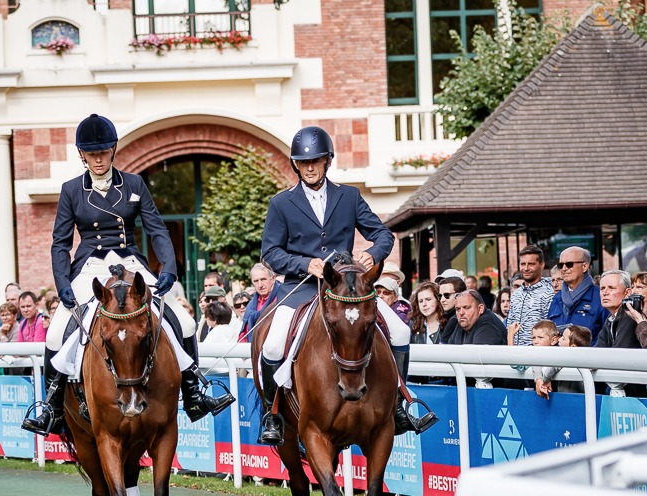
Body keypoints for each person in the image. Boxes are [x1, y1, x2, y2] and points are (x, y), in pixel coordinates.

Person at [25, 114, 233, 436]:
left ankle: (193, 394)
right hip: (91, 265)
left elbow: (157, 230)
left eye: (103, 152)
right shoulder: (71, 191)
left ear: (113, 150)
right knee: (54, 334)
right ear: (82, 154)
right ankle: (52, 407)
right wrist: (63, 283)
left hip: (131, 263)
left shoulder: (134, 184)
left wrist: (169, 269)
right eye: (91, 153)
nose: (98, 159)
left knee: (187, 321)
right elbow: (60, 243)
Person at [255, 125, 431, 444]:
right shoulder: (281, 203)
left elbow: (383, 235)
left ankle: (398, 407)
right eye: (303, 162)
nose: (309, 167)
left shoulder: (348, 196)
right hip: (304, 287)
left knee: (402, 331)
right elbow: (270, 252)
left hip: (347, 289)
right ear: (296, 164)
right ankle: (273, 415)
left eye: (316, 160)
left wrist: (371, 257)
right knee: (271, 345)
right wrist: (303, 263)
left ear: (327, 161)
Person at [546, 246, 608, 344]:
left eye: (569, 264)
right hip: (559, 357)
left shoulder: (601, 297)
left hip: (589, 357)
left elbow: (608, 337)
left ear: (585, 266)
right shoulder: (557, 299)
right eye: (560, 265)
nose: (564, 268)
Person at [505, 245, 555, 346]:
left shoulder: (550, 293)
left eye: (531, 264)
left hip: (538, 357)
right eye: (523, 264)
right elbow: (509, 328)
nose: (526, 268)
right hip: (515, 356)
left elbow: (552, 329)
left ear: (542, 265)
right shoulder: (516, 294)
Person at [535, 324, 591, 399]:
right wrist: (539, 379)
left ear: (573, 347)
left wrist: (545, 380)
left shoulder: (576, 359)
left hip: (574, 400)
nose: (559, 339)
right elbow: (537, 361)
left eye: (563, 338)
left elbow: (557, 364)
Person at [596, 270, 640, 349]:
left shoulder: (630, 315)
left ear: (627, 293)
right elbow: (599, 349)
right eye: (602, 288)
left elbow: (620, 352)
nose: (605, 292)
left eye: (611, 288)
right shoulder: (610, 318)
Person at [238, 262, 281, 342]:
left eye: (263, 279)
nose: (260, 285)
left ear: (273, 278)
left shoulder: (283, 298)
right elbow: (244, 335)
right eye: (256, 281)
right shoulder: (251, 305)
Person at [437, 276, 466, 344]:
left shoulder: (455, 319)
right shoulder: (446, 318)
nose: (442, 300)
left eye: (447, 295)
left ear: (459, 294)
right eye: (440, 296)